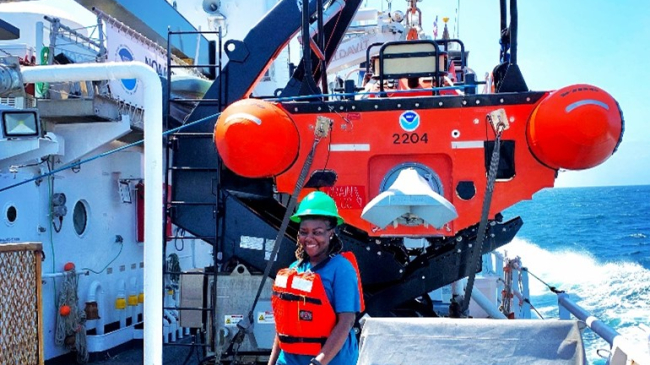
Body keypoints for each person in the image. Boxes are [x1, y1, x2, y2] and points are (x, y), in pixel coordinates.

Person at [268, 191, 364, 365]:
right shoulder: (294, 269)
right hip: (289, 361)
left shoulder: (341, 269)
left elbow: (346, 321)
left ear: (331, 233)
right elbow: (284, 325)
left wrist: (318, 362)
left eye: (317, 232)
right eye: (304, 232)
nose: (309, 238)